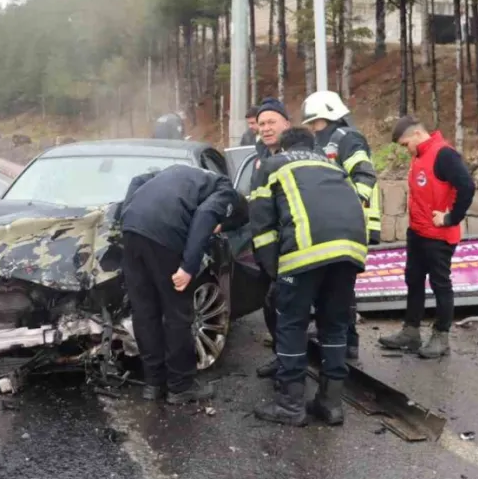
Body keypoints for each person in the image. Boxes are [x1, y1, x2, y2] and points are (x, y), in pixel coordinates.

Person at [249, 127, 368, 426]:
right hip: (350, 251)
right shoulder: (331, 165)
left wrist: (274, 273)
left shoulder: (272, 164)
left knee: (291, 323)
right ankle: (330, 404)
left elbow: (261, 226)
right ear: (313, 146)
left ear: (284, 147)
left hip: (305, 252)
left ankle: (291, 405)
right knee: (335, 326)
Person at [120, 164, 249, 404]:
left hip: (131, 231)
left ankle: (153, 384)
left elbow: (137, 178)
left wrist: (127, 214)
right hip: (165, 236)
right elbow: (204, 216)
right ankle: (180, 386)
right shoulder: (225, 189)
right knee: (177, 313)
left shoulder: (176, 172)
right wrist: (188, 267)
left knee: (144, 312)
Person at [379, 117, 475, 359]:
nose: (405, 150)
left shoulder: (444, 155)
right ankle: (411, 331)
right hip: (418, 232)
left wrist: (451, 218)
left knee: (440, 284)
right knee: (413, 279)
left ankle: (441, 335)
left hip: (438, 235)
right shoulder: (419, 155)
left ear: (417, 135)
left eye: (405, 144)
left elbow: (467, 186)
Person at [301, 90, 381, 361]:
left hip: (348, 226)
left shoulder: (347, 139)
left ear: (330, 116)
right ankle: (337, 337)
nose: (313, 128)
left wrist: (350, 208)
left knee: (342, 287)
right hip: (333, 225)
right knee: (333, 285)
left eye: (316, 122)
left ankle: (347, 341)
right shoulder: (325, 142)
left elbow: (365, 174)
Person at [248, 98, 293, 378]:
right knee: (270, 304)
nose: (265, 128)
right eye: (261, 124)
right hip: (267, 246)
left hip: (295, 245)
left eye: (271, 122)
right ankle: (282, 357)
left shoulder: (299, 152)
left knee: (291, 308)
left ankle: (294, 373)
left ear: (286, 123)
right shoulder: (260, 158)